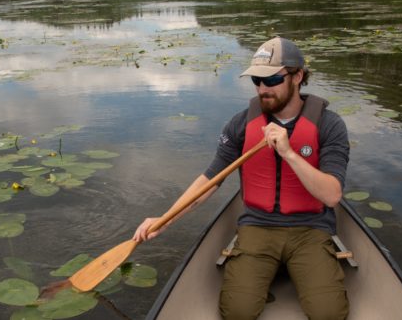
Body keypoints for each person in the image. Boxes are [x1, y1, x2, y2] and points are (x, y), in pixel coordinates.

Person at [133, 37, 350, 320]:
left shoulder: (329, 125)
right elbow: (210, 179)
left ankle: (298, 268)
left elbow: (332, 195)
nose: (263, 89)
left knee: (329, 314)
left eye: (271, 79)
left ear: (297, 76)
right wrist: (165, 218)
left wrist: (290, 154)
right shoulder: (240, 124)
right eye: (256, 81)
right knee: (237, 312)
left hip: (311, 229)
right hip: (258, 227)